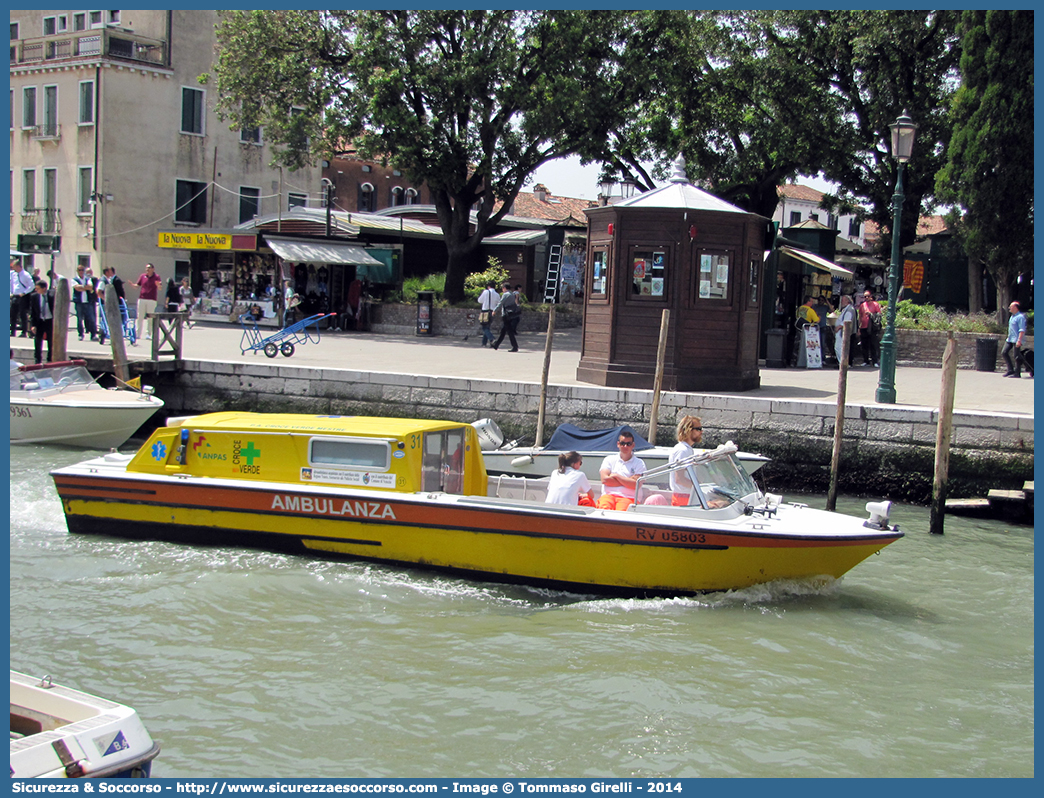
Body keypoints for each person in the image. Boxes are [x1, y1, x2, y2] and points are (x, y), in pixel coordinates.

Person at [596, 431, 647, 511]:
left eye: (628, 444)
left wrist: (616, 476)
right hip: (608, 495)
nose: (625, 446)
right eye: (622, 443)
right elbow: (605, 480)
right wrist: (628, 480)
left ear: (633, 445)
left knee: (621, 513)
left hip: (629, 498)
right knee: (604, 510)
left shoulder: (639, 463)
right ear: (618, 444)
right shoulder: (609, 459)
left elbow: (635, 485)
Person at [668, 415, 703, 506]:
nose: (701, 432)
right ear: (688, 430)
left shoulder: (687, 449)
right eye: (698, 429)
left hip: (687, 496)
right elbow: (679, 479)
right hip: (683, 498)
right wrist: (699, 487)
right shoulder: (682, 450)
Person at [96, 265, 125, 346]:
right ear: (107, 272)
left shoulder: (108, 280)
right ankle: (105, 333)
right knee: (106, 319)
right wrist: (106, 300)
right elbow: (99, 291)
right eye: (109, 271)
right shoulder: (103, 280)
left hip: (110, 303)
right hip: (105, 304)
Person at [131, 263, 162, 341]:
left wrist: (158, 285)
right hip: (142, 299)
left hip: (151, 300)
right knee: (140, 317)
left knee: (150, 318)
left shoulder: (156, 277)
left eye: (149, 268)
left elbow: (160, 288)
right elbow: (137, 285)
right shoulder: (142, 276)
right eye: (146, 268)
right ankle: (138, 334)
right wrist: (133, 285)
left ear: (153, 269)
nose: (147, 270)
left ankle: (148, 334)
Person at [71, 264, 99, 341]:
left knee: (92, 318)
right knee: (79, 319)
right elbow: (77, 288)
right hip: (79, 302)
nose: (81, 271)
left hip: (88, 302)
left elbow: (91, 287)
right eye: (79, 270)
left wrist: (82, 287)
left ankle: (93, 335)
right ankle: (80, 334)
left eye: (82, 270)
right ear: (77, 271)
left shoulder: (87, 279)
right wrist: (85, 287)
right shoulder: (74, 279)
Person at [1002, 301, 1030, 378]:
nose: (1009, 308)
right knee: (1004, 352)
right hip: (1010, 339)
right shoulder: (1012, 317)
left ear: (1015, 308)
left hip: (1017, 339)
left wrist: (1019, 340)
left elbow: (1022, 330)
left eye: (1011, 306)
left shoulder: (1020, 317)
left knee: (1016, 356)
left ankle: (1018, 373)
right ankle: (1010, 369)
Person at [29, 280, 53, 364]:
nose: (36, 290)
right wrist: (33, 325)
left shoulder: (52, 296)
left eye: (38, 288)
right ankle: (37, 359)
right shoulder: (34, 296)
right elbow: (33, 312)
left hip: (50, 321)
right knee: (38, 341)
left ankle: (50, 359)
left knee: (51, 341)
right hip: (39, 321)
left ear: (44, 288)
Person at [492, 282, 521, 352]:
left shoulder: (505, 295)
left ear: (504, 288)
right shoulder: (512, 294)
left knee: (509, 332)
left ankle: (515, 346)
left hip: (506, 314)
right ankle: (496, 345)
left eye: (502, 288)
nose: (502, 290)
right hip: (511, 314)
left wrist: (495, 310)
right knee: (503, 331)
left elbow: (500, 303)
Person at [10, 259, 35, 337]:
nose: (13, 269)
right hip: (15, 295)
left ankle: (24, 332)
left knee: (22, 314)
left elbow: (32, 286)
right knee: (12, 314)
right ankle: (12, 331)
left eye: (14, 267)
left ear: (18, 266)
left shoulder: (26, 275)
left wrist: (24, 292)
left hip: (23, 296)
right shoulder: (13, 274)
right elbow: (12, 284)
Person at [858, 290, 882, 368]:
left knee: (873, 344)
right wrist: (859, 327)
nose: (867, 298)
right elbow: (860, 316)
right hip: (864, 327)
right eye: (865, 296)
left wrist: (871, 314)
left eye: (868, 296)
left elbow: (879, 314)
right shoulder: (862, 305)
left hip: (872, 327)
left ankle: (874, 360)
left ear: (871, 296)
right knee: (864, 344)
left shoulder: (875, 304)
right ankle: (866, 360)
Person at [795, 296, 820, 368]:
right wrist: (819, 317)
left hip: (799, 329)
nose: (812, 303)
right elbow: (816, 320)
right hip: (807, 331)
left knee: (797, 345)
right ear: (808, 302)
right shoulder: (810, 310)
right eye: (811, 301)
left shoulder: (799, 309)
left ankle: (795, 360)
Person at [834, 294, 857, 367]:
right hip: (841, 332)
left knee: (839, 348)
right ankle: (841, 362)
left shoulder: (850, 309)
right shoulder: (846, 309)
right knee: (838, 348)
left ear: (847, 301)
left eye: (843, 300)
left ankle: (842, 363)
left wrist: (839, 327)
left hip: (842, 332)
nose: (841, 302)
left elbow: (847, 321)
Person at [477, 280, 498, 347]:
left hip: (485, 311)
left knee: (484, 327)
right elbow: (498, 303)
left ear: (488, 286)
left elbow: (479, 300)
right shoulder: (497, 294)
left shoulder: (486, 292)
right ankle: (484, 343)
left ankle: (492, 339)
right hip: (492, 311)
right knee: (487, 327)